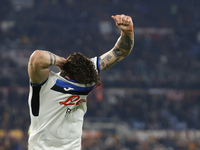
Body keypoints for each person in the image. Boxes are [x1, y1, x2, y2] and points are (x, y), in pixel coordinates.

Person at [27, 14, 134, 150]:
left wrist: (62, 62)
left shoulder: (46, 84)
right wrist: (128, 31)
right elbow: (120, 51)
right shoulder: (88, 78)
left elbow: (37, 58)